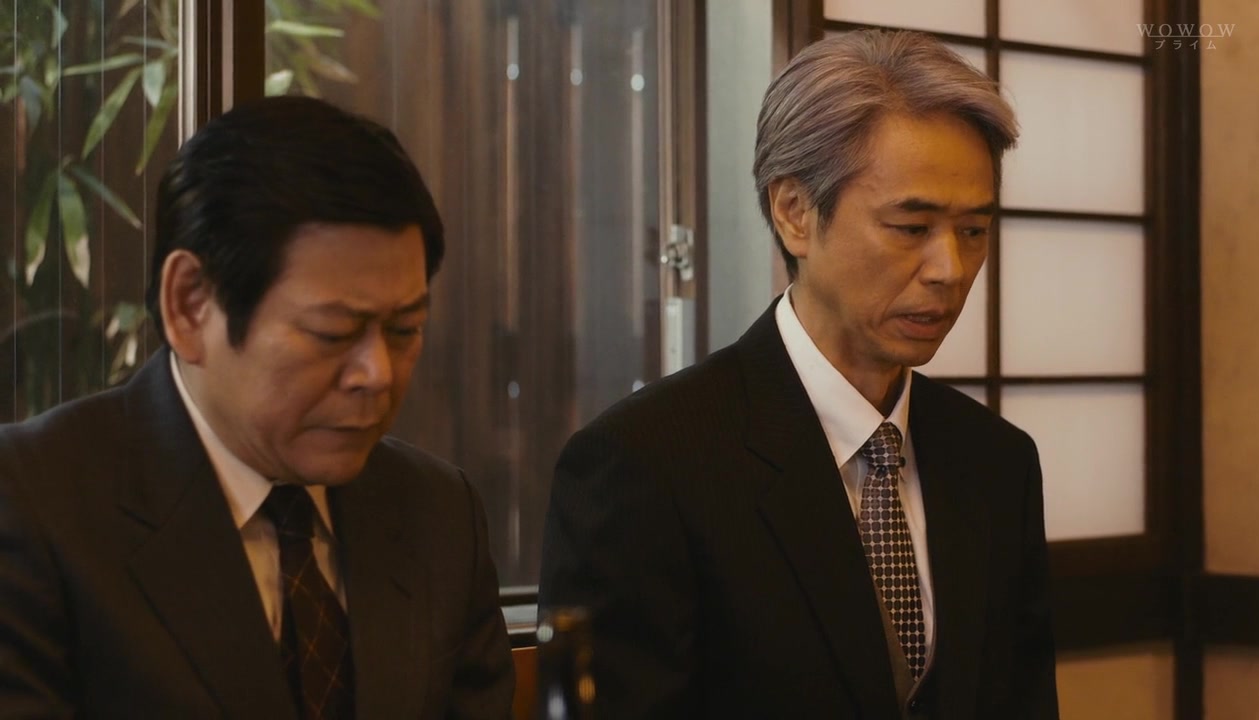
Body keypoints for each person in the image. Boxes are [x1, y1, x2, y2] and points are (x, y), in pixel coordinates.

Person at [539, 29, 1058, 719]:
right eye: (911, 228)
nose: (950, 269)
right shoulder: (645, 464)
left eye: (974, 231)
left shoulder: (996, 462)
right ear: (795, 214)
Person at [0, 96, 514, 719]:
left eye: (404, 330)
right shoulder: (33, 505)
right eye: (333, 333)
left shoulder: (439, 515)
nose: (377, 374)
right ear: (190, 305)